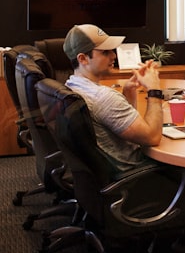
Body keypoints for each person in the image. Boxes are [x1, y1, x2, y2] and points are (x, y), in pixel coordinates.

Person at [63, 23, 165, 171]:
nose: (113, 55)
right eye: (105, 52)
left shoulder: (71, 85)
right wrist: (154, 89)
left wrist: (128, 91)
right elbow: (152, 137)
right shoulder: (103, 98)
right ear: (83, 59)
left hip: (102, 174)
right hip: (137, 174)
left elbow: (118, 123)